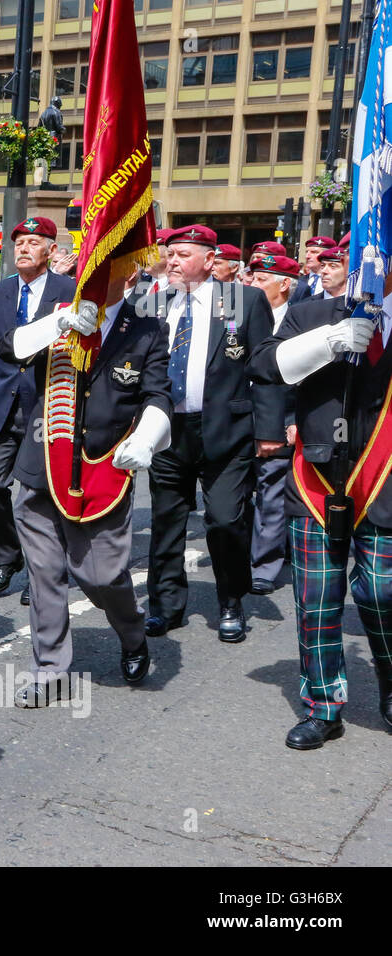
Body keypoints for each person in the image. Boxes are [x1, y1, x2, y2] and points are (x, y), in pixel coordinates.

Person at [0, 271, 173, 704]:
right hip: (43, 461)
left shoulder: (148, 328)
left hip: (102, 470)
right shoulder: (59, 315)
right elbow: (7, 350)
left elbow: (157, 394)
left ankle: (132, 633)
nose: (92, 274)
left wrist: (147, 438)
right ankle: (50, 669)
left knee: (103, 575)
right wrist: (55, 325)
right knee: (43, 573)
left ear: (128, 272)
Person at [248, 241, 392, 749]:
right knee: (316, 599)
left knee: (381, 593)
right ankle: (322, 703)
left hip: (386, 478)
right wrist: (329, 340)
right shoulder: (313, 313)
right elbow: (264, 365)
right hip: (319, 476)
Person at [139, 224, 280, 642]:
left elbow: (266, 368)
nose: (173, 261)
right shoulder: (155, 302)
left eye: (183, 254)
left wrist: (268, 430)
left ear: (209, 258)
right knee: (167, 521)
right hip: (168, 429)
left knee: (224, 519)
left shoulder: (243, 299)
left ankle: (230, 601)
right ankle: (165, 606)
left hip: (227, 430)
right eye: (171, 254)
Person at [0, 217, 76, 602]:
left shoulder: (69, 290)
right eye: (18, 241)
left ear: (52, 251)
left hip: (46, 403)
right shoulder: (0, 293)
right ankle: (7, 558)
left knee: (39, 492)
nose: (22, 248)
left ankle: (43, 568)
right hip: (3, 404)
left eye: (32, 242)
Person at [244, 253, 300, 594]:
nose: (253, 284)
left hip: (281, 417)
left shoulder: (299, 320)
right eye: (251, 278)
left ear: (285, 284)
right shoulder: (238, 315)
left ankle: (264, 563)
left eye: (262, 279)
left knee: (271, 491)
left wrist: (294, 420)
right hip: (239, 416)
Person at [290, 236, 335, 303]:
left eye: (314, 252)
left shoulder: (336, 283)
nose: (307, 256)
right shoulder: (298, 282)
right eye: (307, 252)